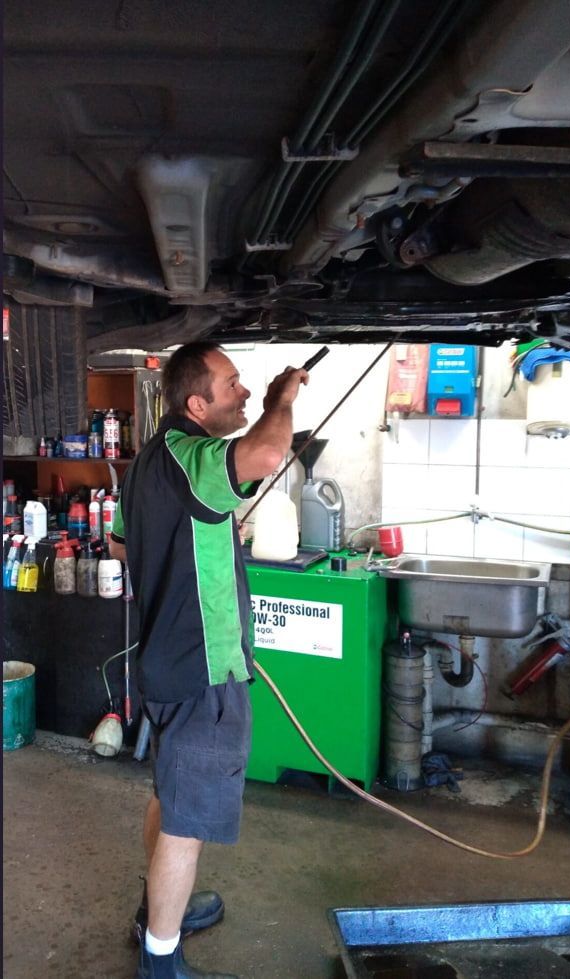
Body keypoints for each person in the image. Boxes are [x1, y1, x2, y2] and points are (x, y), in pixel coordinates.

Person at [109, 341, 308, 979]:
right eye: (234, 385)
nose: (246, 393)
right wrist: (284, 399)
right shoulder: (195, 455)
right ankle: (159, 959)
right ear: (197, 405)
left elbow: (128, 542)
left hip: (165, 664)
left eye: (248, 384)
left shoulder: (150, 460)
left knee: (173, 799)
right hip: (201, 671)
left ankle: (157, 914)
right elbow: (268, 453)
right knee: (187, 822)